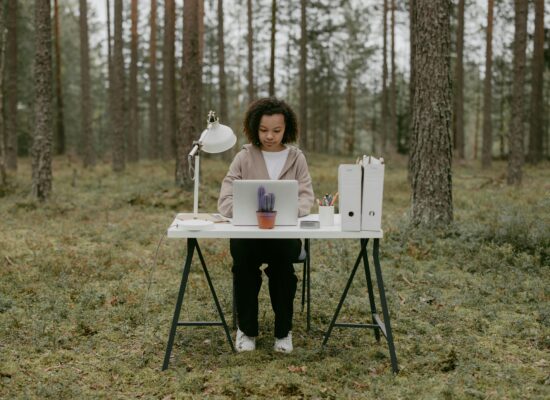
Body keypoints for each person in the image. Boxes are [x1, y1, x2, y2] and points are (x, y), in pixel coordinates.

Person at [218, 97, 314, 353]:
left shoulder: (296, 158)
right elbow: (225, 200)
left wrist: (289, 212)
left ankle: (283, 333)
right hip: (249, 236)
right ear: (253, 127)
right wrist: (249, 211)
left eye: (276, 130)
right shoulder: (244, 157)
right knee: (244, 268)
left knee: (283, 270)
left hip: (283, 237)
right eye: (263, 130)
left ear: (287, 129)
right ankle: (246, 331)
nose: (269, 136)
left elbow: (306, 197)